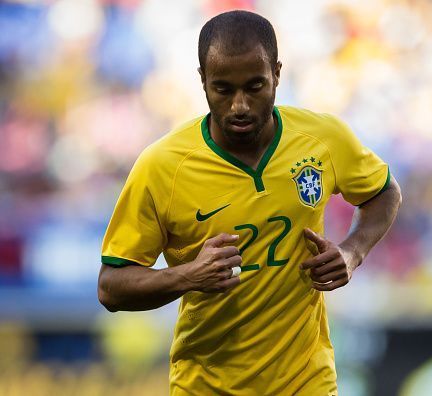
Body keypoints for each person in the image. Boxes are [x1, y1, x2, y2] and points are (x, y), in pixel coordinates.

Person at [98, 10, 401, 395]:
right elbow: (111, 288)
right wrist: (189, 275)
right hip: (206, 386)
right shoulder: (163, 166)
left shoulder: (323, 138)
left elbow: (385, 192)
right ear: (202, 81)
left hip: (306, 382)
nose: (239, 105)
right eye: (223, 89)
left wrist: (352, 252)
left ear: (276, 73)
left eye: (254, 86)